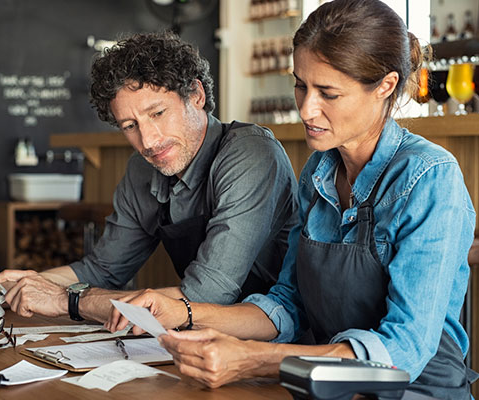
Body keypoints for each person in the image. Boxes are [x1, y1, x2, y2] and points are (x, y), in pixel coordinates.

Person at [108, 1, 476, 397]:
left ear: (385, 86)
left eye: (328, 93)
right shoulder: (318, 172)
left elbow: (405, 349)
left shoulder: (429, 177)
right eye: (301, 85)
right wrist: (184, 313)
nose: (305, 108)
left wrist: (253, 359)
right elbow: (287, 303)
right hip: (321, 384)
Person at [0, 31, 299, 323]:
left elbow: (206, 295)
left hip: (276, 339)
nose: (148, 141)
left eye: (158, 113)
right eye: (130, 126)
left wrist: (67, 301)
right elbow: (102, 269)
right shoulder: (142, 169)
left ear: (196, 95)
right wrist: (6, 287)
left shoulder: (250, 154)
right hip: (200, 340)